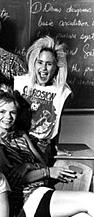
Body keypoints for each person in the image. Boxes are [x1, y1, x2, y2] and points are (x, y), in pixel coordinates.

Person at [0, 88, 94, 217]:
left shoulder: (21, 135)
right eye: (2, 112)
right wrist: (46, 172)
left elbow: (42, 164)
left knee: (83, 216)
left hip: (40, 191)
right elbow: (11, 181)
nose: (8, 117)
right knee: (90, 200)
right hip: (24, 200)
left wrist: (28, 166)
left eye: (13, 112)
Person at [14, 35, 73, 166]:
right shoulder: (21, 82)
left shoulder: (61, 90)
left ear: (56, 67)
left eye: (49, 64)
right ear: (34, 63)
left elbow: (57, 121)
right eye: (40, 62)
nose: (43, 68)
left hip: (42, 144)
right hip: (18, 142)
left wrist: (56, 145)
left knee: (39, 177)